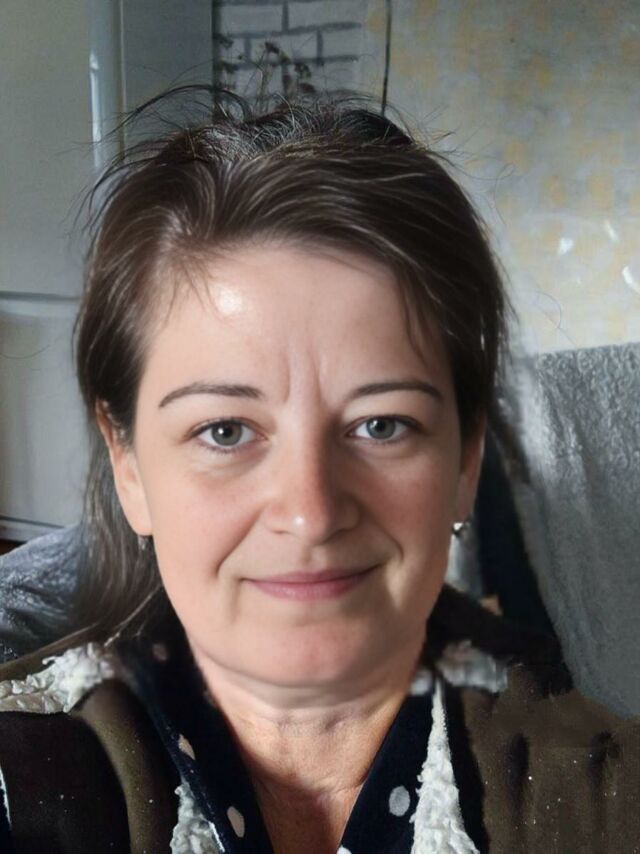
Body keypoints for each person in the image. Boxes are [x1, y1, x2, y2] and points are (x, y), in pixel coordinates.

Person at [0, 91, 638, 854]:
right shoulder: (27, 776)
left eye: (381, 425)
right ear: (128, 467)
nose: (311, 512)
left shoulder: (605, 800)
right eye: (225, 431)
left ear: (466, 459)